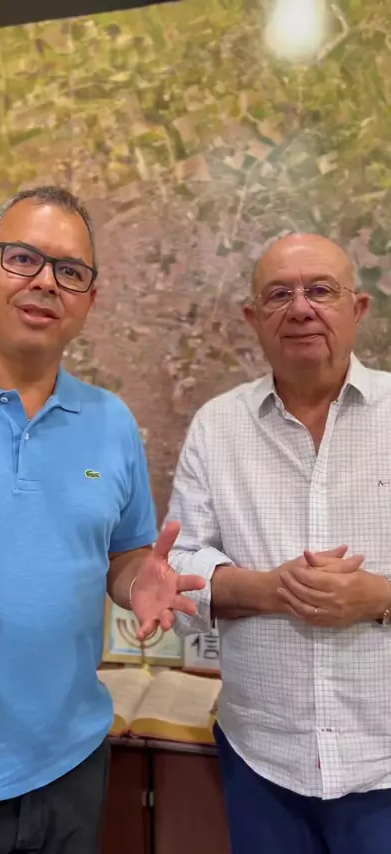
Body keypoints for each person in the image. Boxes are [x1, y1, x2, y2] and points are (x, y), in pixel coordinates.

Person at [0, 185, 204, 854]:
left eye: (70, 271)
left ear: (89, 300)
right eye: (22, 258)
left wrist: (138, 581)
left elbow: (124, 554)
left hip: (71, 768)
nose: (45, 281)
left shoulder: (111, 422)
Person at [166, 231, 391, 854]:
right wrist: (268, 589)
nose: (300, 308)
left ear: (358, 309)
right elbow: (178, 564)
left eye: (320, 290)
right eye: (278, 295)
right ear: (252, 318)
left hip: (384, 760)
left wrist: (378, 598)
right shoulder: (217, 426)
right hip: (262, 760)